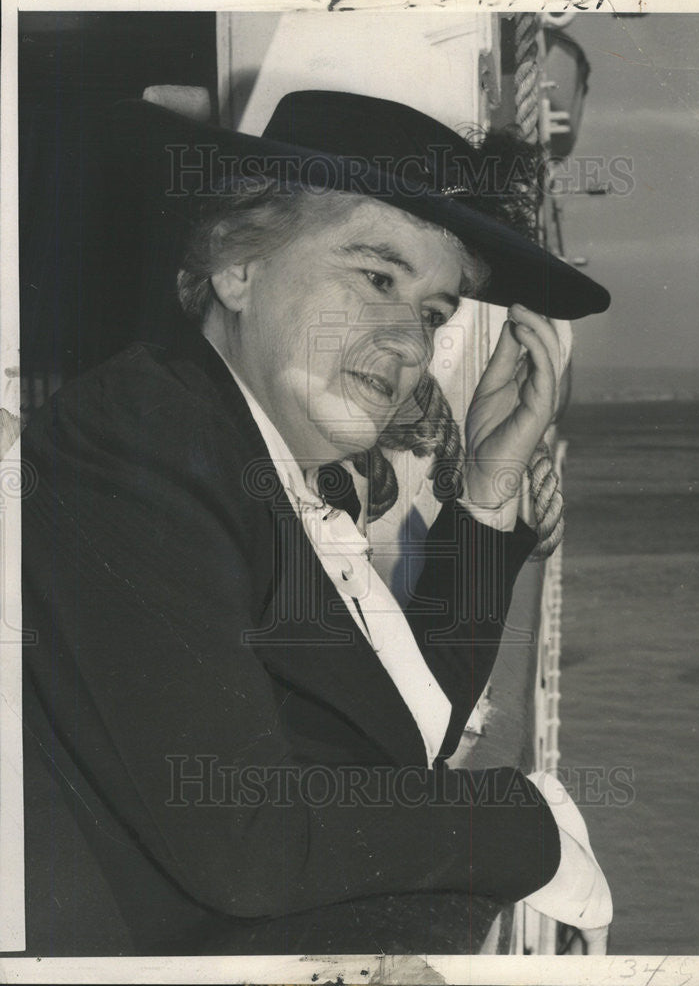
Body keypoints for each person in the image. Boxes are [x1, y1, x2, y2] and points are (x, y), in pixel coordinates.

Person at [20, 90, 611, 956]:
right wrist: (524, 823)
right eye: (377, 278)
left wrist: (486, 492)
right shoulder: (140, 442)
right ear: (237, 263)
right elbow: (246, 843)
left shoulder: (258, 463)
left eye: (435, 314)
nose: (412, 346)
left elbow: (394, 728)